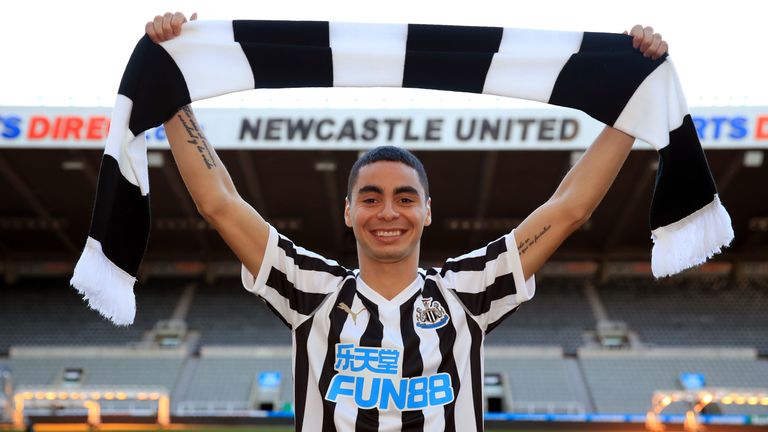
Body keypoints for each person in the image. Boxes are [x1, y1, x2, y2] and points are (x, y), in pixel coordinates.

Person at [147, 12, 668, 432]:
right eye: (370, 198)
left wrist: (629, 107)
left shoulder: (469, 290)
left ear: (427, 209)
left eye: (405, 197)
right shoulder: (310, 289)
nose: (389, 212)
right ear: (348, 212)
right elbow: (219, 201)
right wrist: (171, 92)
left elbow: (569, 207)